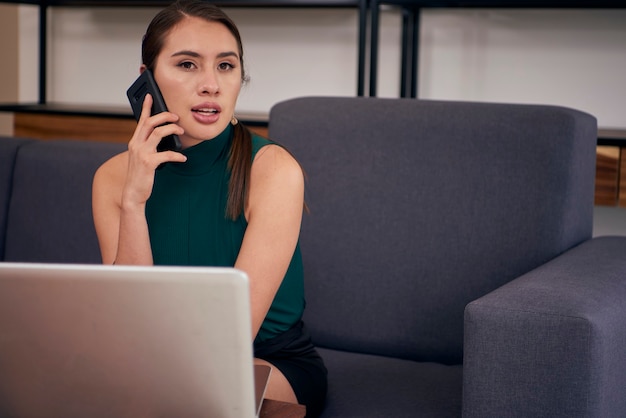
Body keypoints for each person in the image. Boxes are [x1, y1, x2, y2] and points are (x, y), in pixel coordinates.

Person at [91, 0, 327, 415]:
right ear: (147, 81)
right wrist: (133, 203)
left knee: (190, 399)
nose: (211, 85)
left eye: (225, 66)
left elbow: (234, 335)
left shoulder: (273, 169)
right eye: (187, 65)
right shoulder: (112, 178)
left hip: (263, 361)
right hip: (152, 363)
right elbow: (130, 323)